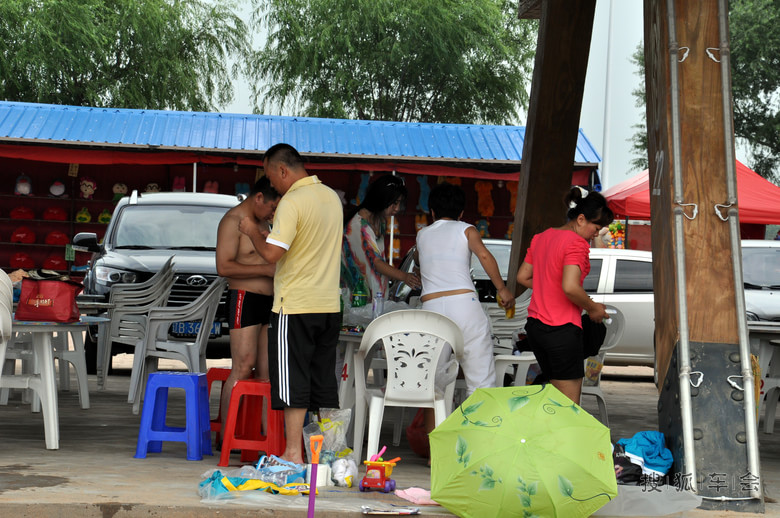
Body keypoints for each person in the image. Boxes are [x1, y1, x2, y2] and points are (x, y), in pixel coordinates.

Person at [238, 143, 343, 465]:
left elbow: (271, 254)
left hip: (294, 305)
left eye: (271, 177)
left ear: (283, 170)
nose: (272, 186)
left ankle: (294, 453)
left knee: (292, 381)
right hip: (328, 305)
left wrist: (254, 232)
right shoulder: (331, 198)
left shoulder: (293, 201)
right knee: (322, 381)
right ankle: (324, 454)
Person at [416, 182, 516, 438]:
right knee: (480, 380)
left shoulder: (422, 234)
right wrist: (502, 289)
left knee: (432, 383)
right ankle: (477, 442)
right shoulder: (467, 230)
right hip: (464, 304)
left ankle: (433, 451)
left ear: (432, 211)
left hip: (432, 309)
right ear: (461, 213)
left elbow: (421, 260)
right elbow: (483, 256)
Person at [516, 186, 614, 405]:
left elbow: (522, 277)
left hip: (535, 328)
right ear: (581, 219)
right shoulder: (576, 243)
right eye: (596, 227)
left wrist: (549, 286)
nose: (597, 233)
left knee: (554, 398)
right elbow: (570, 287)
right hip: (560, 330)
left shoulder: (541, 238)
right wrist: (593, 307)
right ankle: (562, 440)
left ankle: (546, 439)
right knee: (569, 404)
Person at [215, 177, 280, 433]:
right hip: (245, 298)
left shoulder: (264, 223)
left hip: (270, 301)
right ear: (259, 197)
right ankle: (226, 436)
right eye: (272, 207)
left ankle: (265, 440)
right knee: (243, 365)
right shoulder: (233, 221)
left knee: (266, 373)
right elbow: (223, 266)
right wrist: (266, 269)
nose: (274, 213)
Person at [342, 174, 421, 300]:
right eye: (394, 203)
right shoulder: (358, 226)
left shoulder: (380, 221)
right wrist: (404, 276)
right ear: (381, 197)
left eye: (399, 204)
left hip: (375, 297)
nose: (397, 209)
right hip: (358, 299)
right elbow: (376, 262)